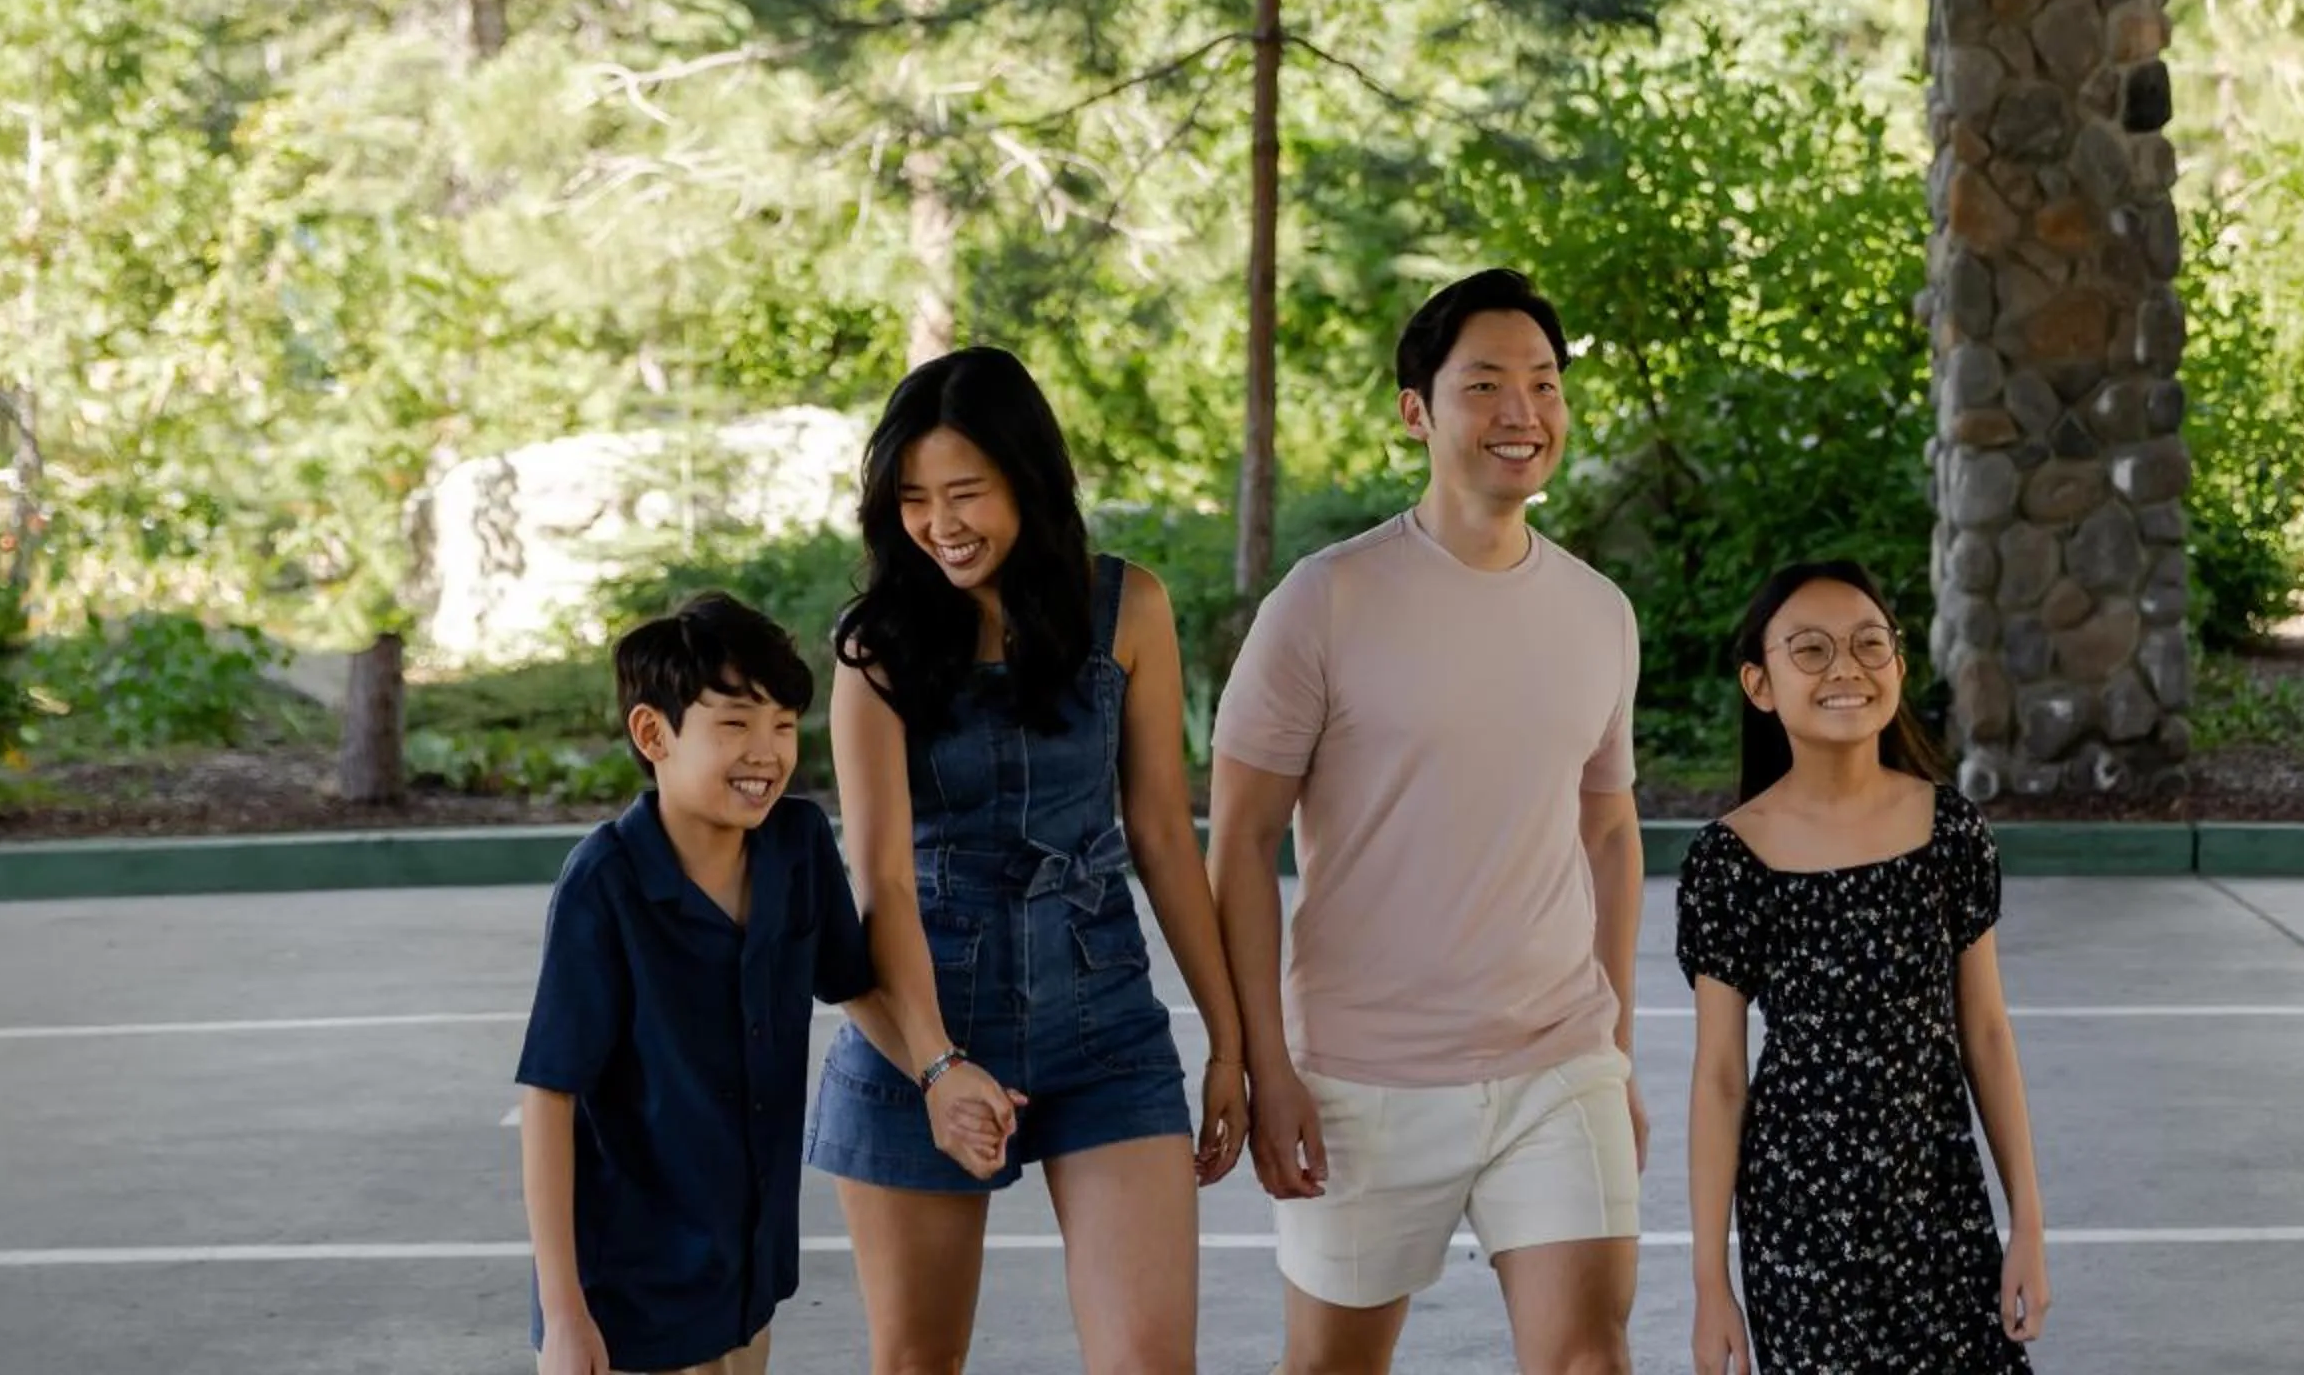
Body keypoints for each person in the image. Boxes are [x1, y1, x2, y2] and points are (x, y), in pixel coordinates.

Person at [1210, 268, 1647, 1375]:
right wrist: (1269, 1064)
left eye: (1544, 383)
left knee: (1589, 1356)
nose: (1523, 412)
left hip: (1558, 1061)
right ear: (1418, 409)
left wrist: (1616, 1049)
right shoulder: (1324, 599)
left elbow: (1607, 831)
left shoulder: (1600, 611)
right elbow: (1242, 841)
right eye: (1487, 383)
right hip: (1363, 1073)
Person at [807, 344, 1248, 1375]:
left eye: (967, 490)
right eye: (914, 497)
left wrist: (1228, 1041)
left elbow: (1164, 836)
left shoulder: (1126, 607)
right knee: (918, 1360)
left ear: (1030, 481)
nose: (941, 522)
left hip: (1105, 1026)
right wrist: (935, 1063)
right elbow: (880, 885)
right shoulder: (873, 646)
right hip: (922, 1026)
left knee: (1149, 1360)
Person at [1676, 560, 2051, 1375]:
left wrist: (2027, 1224)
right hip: (1799, 1223)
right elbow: (1718, 1079)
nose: (1845, 667)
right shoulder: (1730, 860)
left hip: (1940, 1205)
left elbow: (1985, 1032)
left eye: (1868, 644)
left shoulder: (1950, 831)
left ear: (1899, 666)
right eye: (1808, 650)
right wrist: (1711, 1283)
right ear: (1760, 683)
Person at [516, 592, 891, 1375]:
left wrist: (941, 1073)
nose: (767, 752)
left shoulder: (797, 845)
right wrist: (564, 1315)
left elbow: (858, 985)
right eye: (734, 724)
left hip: (746, 1267)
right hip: (629, 1287)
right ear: (653, 734)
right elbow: (550, 1096)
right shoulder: (606, 882)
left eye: (783, 726)